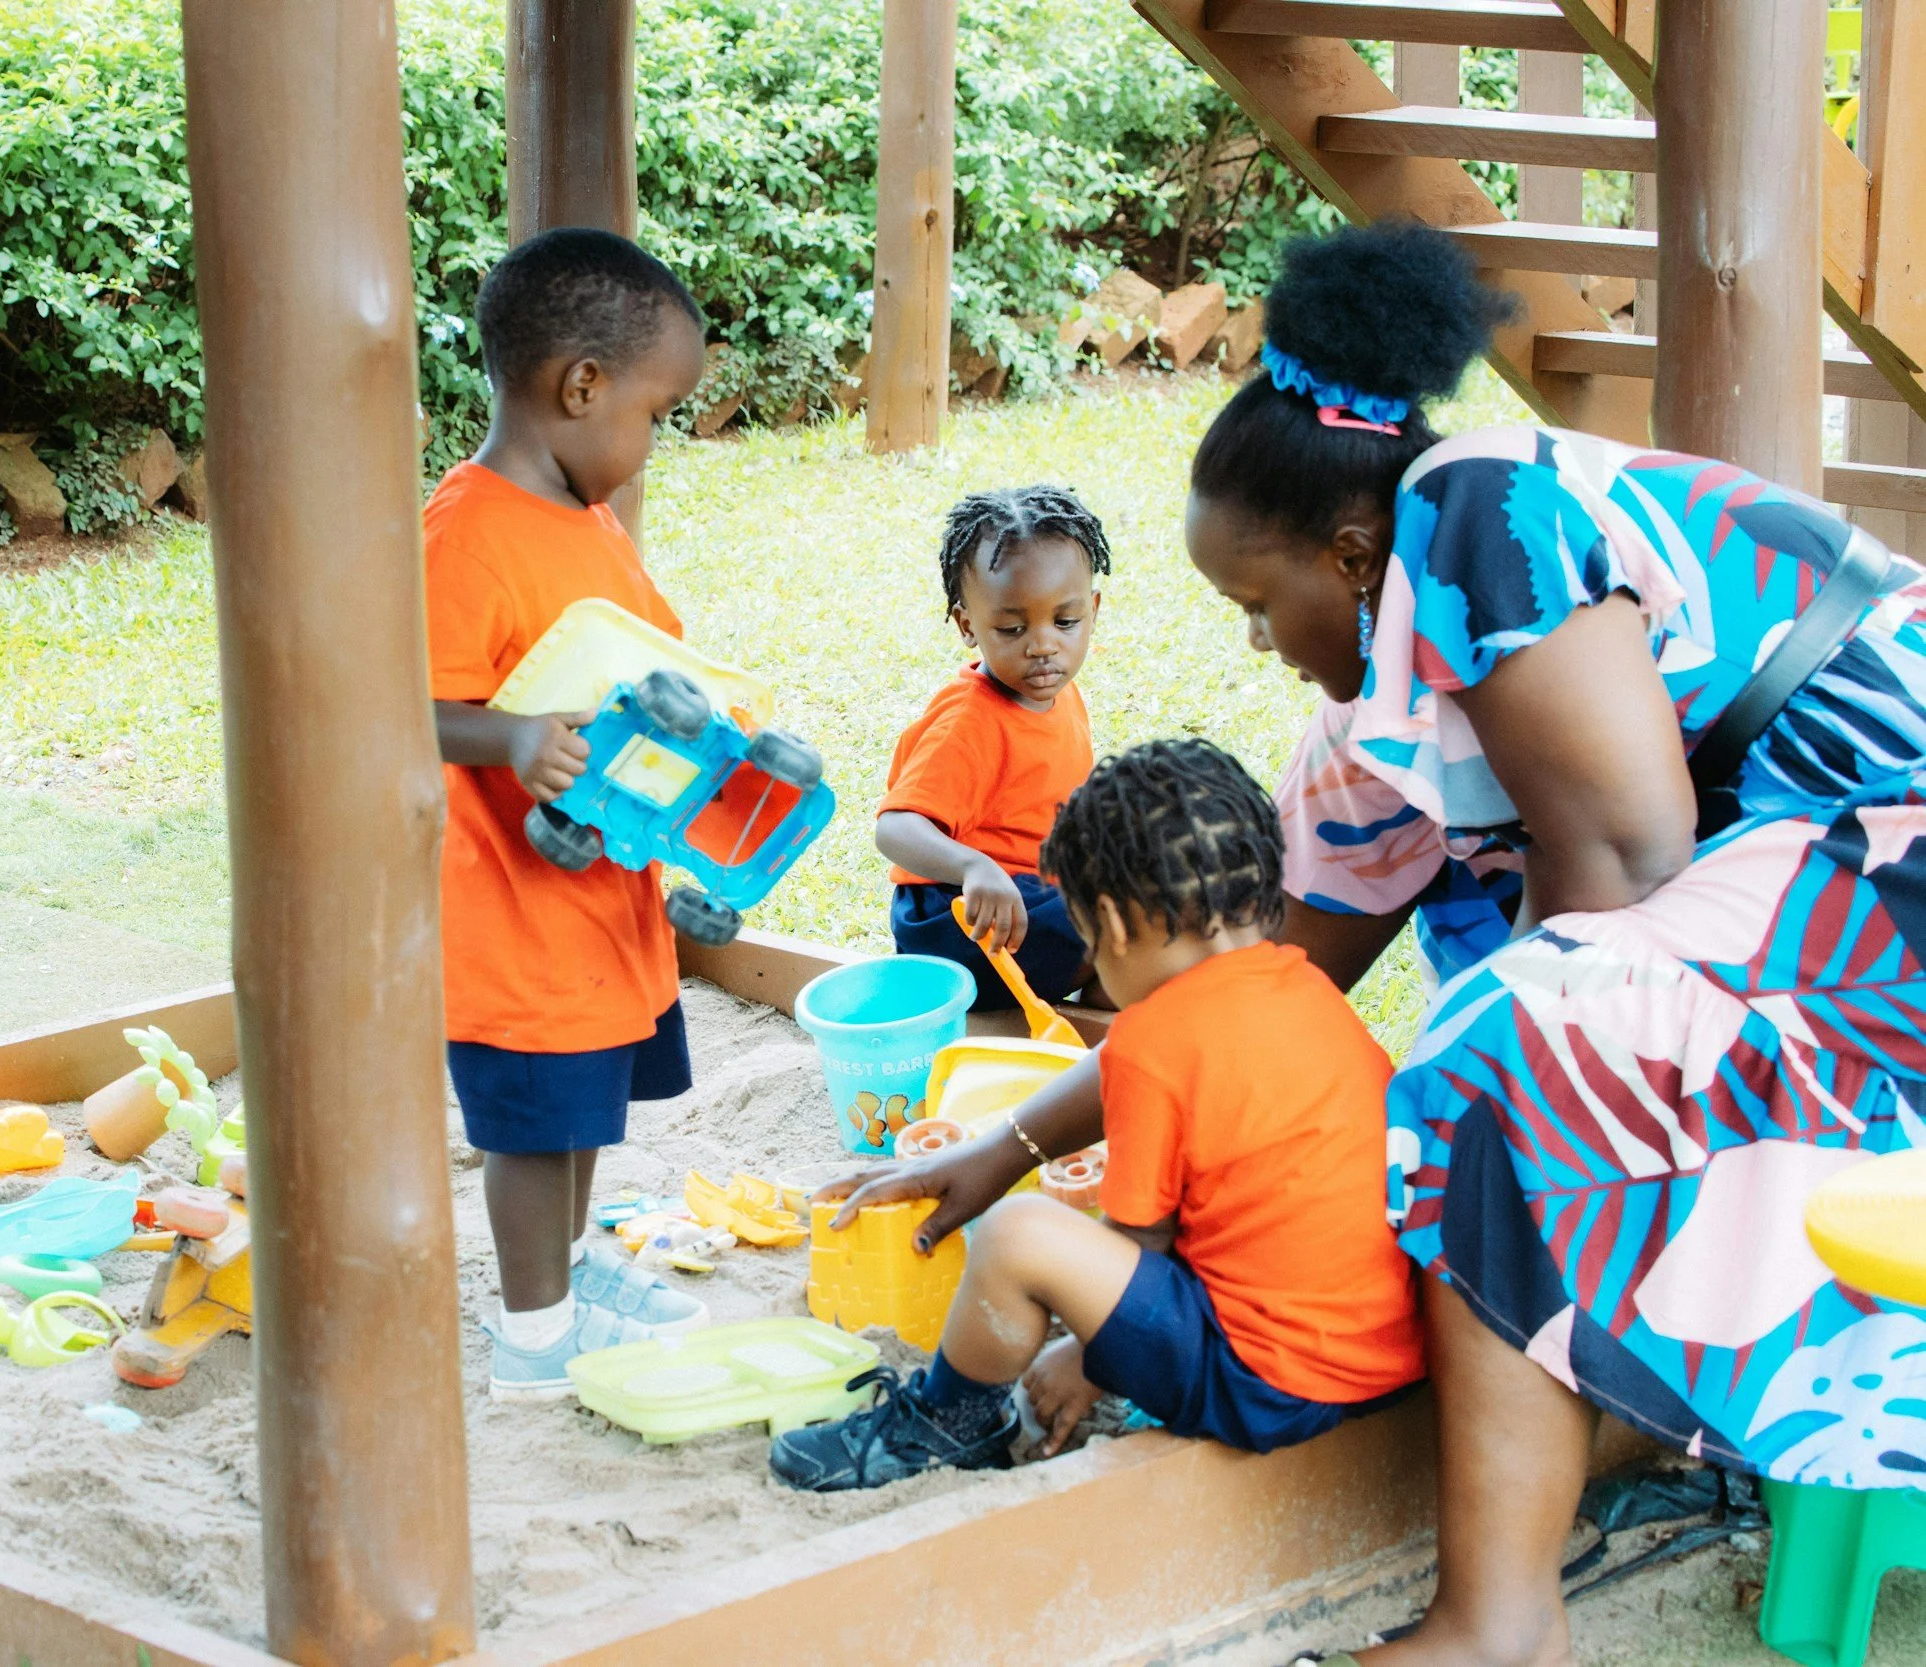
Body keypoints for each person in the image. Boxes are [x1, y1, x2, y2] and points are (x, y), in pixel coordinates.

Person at [860, 221, 1926, 1667]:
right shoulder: (1376, 719)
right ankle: (1600, 1448)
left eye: (1258, 602)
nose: (1257, 641)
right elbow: (1238, 987)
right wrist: (1011, 1145)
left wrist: (1497, 1083)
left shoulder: (1482, 510)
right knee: (1498, 1059)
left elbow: (1624, 854)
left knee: (1493, 1058)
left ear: (1354, 551)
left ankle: (1498, 1621)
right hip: (1791, 887)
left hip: (1890, 829)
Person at [773, 739, 1423, 1491]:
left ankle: (947, 1423)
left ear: (1110, 923)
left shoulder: (1156, 1038)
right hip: (1376, 1359)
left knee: (1022, 1236)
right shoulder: (1313, 995)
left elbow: (1137, 1243)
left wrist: (1087, 1358)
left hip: (1268, 1382)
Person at [423, 227, 714, 1398]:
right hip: (511, 908)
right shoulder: (465, 532)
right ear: (580, 387)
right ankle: (533, 1336)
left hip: (598, 889)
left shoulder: (583, 518)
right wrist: (509, 738)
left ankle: (577, 1274)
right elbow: (399, 702)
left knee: (585, 1106)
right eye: (655, 413)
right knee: (533, 1132)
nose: (653, 442)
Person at [876, 487, 1111, 1009]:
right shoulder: (970, 722)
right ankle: (1099, 1010)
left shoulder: (1061, 692)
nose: (1043, 644)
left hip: (1030, 895)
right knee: (1125, 924)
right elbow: (895, 829)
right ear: (967, 625)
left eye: (1065, 622)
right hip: (956, 917)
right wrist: (973, 867)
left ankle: (1101, 1007)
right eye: (1011, 628)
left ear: (1092, 609)